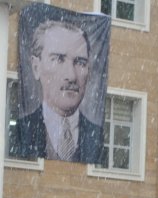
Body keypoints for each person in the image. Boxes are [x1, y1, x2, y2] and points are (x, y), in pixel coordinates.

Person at [9, 20, 104, 162]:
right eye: (58, 59)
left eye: (80, 62)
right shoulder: (20, 130)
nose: (71, 76)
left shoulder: (97, 135)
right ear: (36, 67)